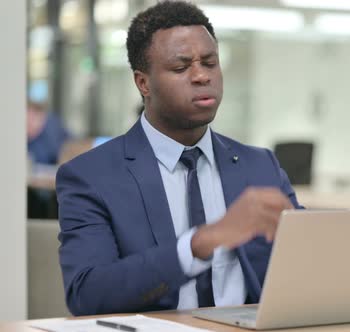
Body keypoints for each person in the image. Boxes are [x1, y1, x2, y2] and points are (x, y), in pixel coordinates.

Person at [57, 1, 300, 316]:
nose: (201, 76)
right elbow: (87, 294)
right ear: (143, 83)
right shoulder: (91, 177)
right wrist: (199, 243)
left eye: (210, 62)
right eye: (181, 67)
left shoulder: (260, 166)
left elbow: (306, 262)